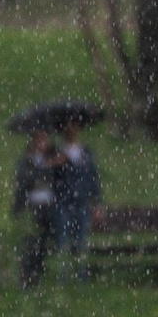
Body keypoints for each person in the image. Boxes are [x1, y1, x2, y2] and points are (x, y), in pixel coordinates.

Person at [52, 119, 104, 282]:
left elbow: (93, 178)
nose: (70, 130)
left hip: (82, 203)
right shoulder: (57, 152)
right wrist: (57, 164)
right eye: (67, 127)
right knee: (63, 240)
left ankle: (82, 275)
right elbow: (50, 178)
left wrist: (96, 203)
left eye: (74, 127)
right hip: (63, 202)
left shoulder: (85, 153)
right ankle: (63, 276)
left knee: (81, 241)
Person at [11, 128, 60, 287]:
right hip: (33, 206)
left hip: (50, 206)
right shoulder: (27, 161)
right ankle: (29, 276)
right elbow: (25, 182)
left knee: (47, 240)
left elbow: (58, 181)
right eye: (38, 140)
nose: (41, 144)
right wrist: (42, 170)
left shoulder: (54, 159)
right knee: (32, 241)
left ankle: (43, 272)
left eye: (44, 140)